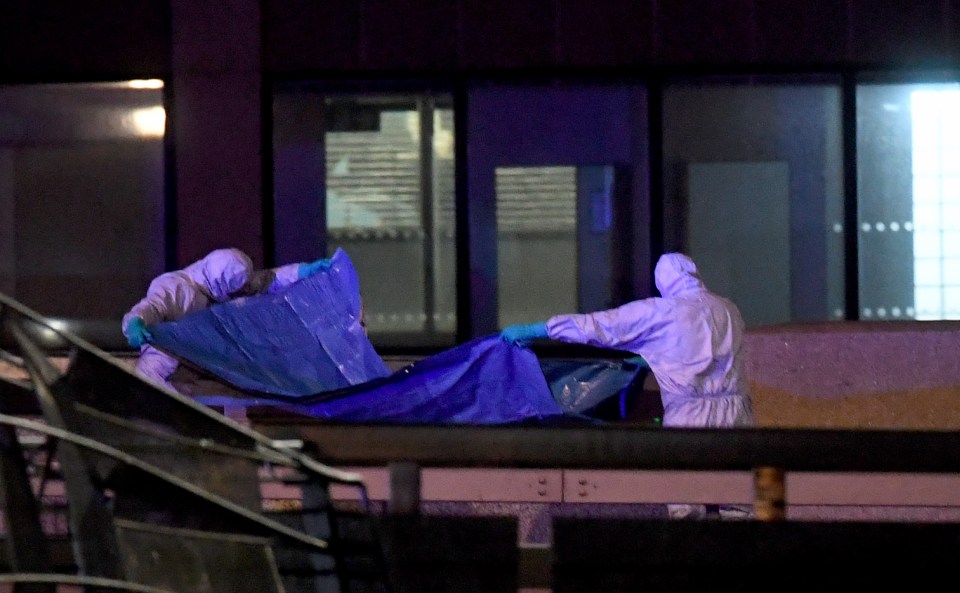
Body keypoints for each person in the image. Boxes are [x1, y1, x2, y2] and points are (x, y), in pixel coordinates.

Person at [500, 252, 755, 520]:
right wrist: (654, 358)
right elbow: (700, 348)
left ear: (664, 281)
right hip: (738, 415)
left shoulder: (663, 311)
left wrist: (542, 330)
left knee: (687, 507)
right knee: (738, 505)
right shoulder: (728, 309)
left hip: (690, 417)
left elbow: (600, 326)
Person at [121, 247, 333, 390]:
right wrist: (135, 323)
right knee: (154, 378)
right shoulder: (174, 287)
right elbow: (150, 307)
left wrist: (301, 271)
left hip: (208, 356)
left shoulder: (227, 281)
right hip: (173, 355)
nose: (242, 292)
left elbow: (267, 280)